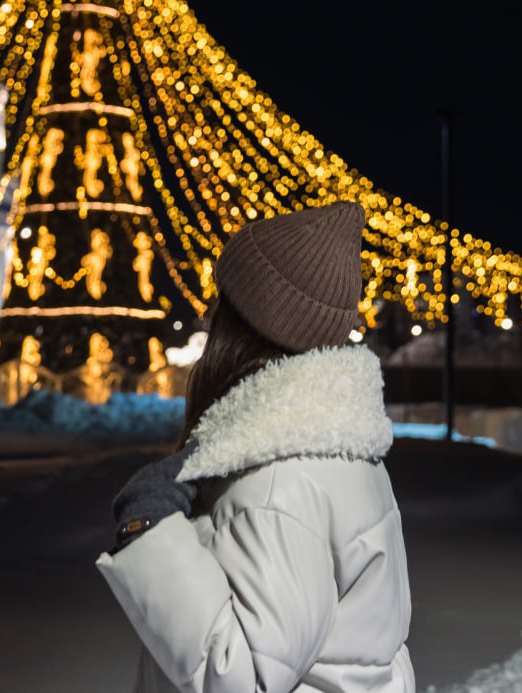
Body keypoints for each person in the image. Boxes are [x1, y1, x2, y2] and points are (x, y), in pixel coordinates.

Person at [96, 201, 415, 692]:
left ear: (244, 327)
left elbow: (242, 680)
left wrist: (149, 529)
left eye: (221, 304)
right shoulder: (339, 453)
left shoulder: (276, 482)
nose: (208, 316)